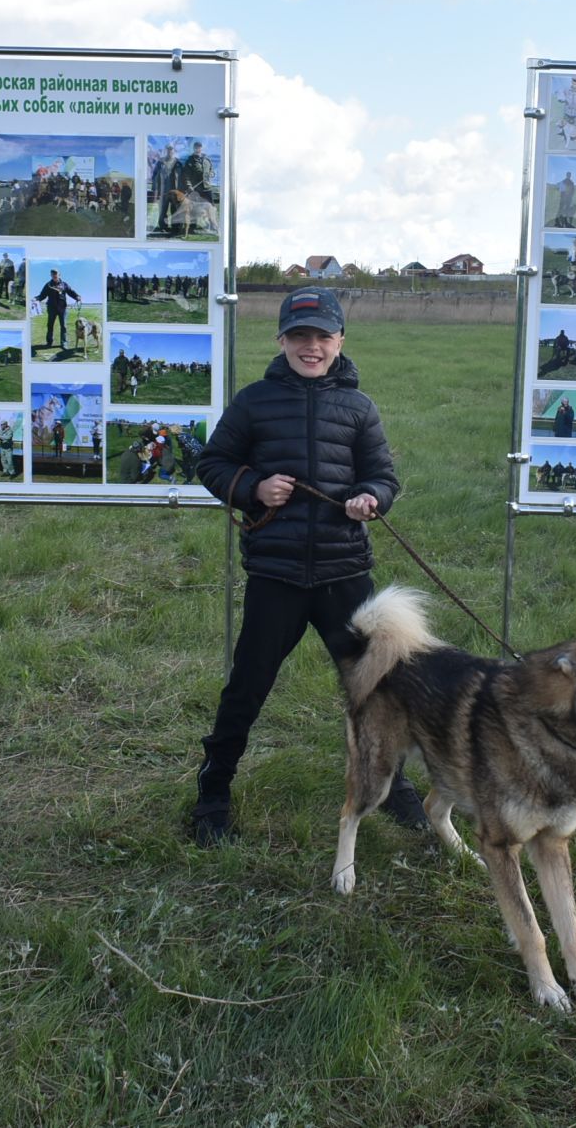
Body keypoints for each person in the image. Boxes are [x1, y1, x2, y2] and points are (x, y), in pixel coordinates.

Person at [190, 287, 419, 847]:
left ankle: (394, 786)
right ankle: (213, 791)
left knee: (375, 689)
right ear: (282, 340)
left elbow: (384, 477)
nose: (311, 347)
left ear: (340, 340)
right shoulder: (253, 402)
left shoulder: (359, 409)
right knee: (246, 686)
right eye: (300, 336)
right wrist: (253, 487)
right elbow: (212, 463)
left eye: (322, 336)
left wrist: (371, 498)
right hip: (277, 575)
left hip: (345, 575)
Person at [35, 268, 79, 350]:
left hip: (63, 308)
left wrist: (77, 296)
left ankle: (64, 343)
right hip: (51, 308)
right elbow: (42, 295)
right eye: (53, 274)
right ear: (51, 275)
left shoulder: (64, 284)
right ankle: (49, 342)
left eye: (56, 274)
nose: (54, 275)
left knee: (64, 326)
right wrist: (36, 298)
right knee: (50, 325)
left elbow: (71, 292)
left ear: (59, 275)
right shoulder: (48, 285)